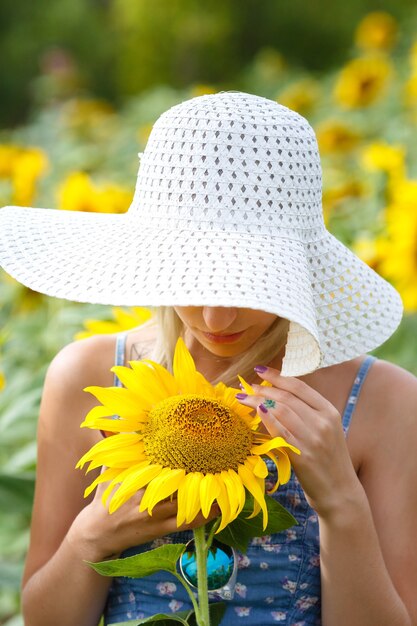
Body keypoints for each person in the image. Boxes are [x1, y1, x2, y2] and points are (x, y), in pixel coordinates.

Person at [0, 92, 416, 626]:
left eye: (249, 282)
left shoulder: (383, 402)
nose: (217, 318)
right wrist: (95, 533)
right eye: (195, 276)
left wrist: (339, 501)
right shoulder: (88, 376)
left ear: (294, 268)